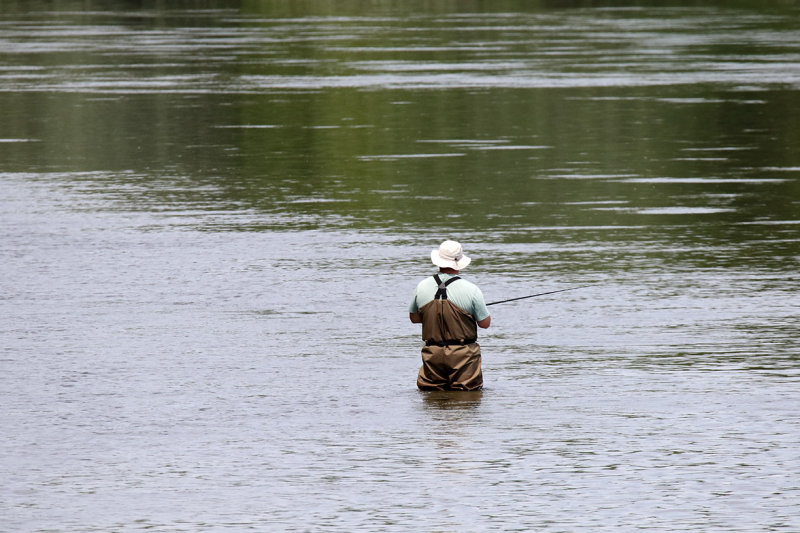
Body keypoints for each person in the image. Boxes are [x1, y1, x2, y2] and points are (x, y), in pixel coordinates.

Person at [409, 240, 491, 391]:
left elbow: (414, 318)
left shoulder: (421, 286)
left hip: (432, 355)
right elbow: (485, 323)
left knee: (432, 401)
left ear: (439, 261)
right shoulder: (472, 290)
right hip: (463, 357)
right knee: (465, 401)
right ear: (459, 263)